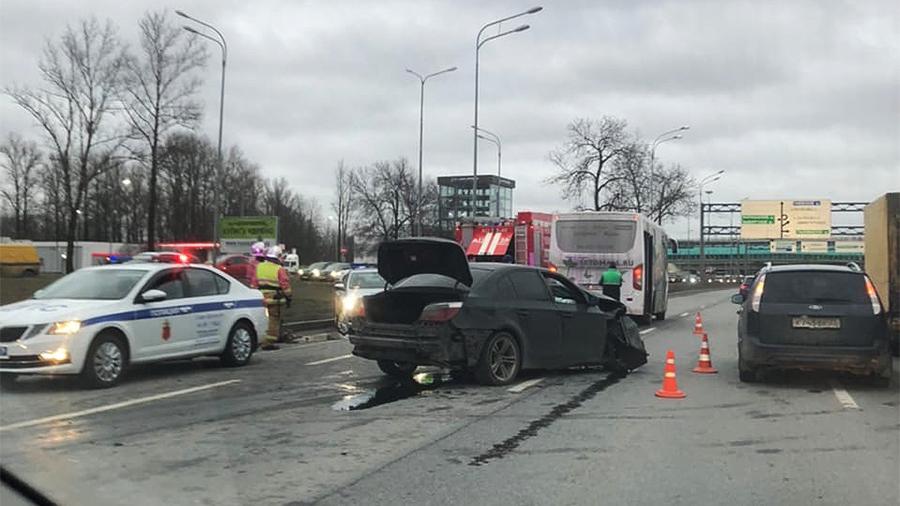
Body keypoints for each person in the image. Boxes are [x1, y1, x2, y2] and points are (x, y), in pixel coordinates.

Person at [250, 244, 293, 350]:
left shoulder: (259, 267)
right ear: (278, 257)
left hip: (260, 299)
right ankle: (269, 341)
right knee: (274, 320)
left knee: (260, 319)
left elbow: (253, 284)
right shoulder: (279, 269)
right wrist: (289, 296)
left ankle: (259, 339)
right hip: (274, 299)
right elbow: (285, 285)